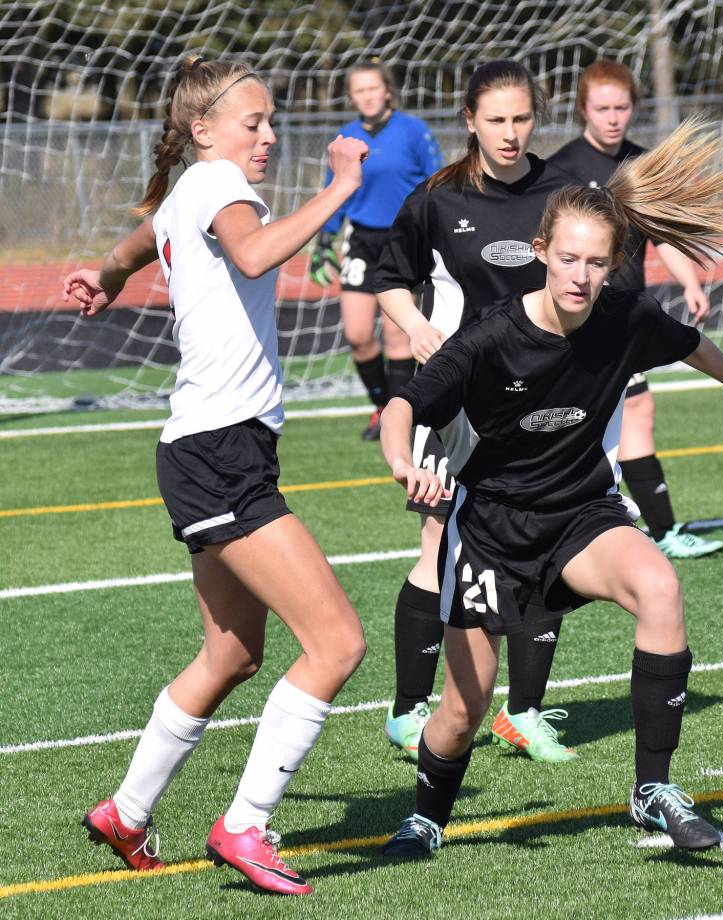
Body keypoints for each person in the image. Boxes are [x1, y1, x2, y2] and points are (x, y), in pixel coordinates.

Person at [376, 121, 723, 858]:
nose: (581, 276)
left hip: (582, 516)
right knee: (464, 709)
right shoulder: (491, 339)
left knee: (659, 586)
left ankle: (652, 790)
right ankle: (426, 817)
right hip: (492, 529)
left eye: (596, 262)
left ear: (616, 262)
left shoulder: (625, 317)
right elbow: (405, 405)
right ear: (540, 255)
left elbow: (690, 343)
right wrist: (403, 461)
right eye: (567, 260)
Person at [62, 55, 368, 897]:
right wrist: (341, 186)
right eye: (253, 122)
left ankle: (126, 811)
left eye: (271, 123)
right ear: (204, 131)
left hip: (206, 451)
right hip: (221, 451)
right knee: (337, 643)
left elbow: (138, 239)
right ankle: (246, 824)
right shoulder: (220, 185)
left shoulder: (189, 191)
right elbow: (260, 253)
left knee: (232, 651)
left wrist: (111, 273)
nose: (268, 135)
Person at [374, 60, 581, 764]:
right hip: (457, 400)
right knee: (438, 539)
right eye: (496, 119)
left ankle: (523, 712)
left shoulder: (563, 194)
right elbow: (386, 279)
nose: (510, 132)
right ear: (469, 121)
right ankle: (408, 709)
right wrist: (415, 326)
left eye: (521, 118)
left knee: (549, 545)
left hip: (545, 401)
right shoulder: (437, 198)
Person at [548, 59, 723, 560]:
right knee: (625, 415)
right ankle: (655, 530)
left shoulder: (642, 167)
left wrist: (690, 280)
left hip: (626, 315)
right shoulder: (561, 168)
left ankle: (644, 526)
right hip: (586, 317)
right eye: (602, 107)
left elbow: (659, 237)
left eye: (621, 107)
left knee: (625, 415)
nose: (612, 117)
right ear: (583, 108)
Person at [309, 60, 443, 440]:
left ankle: (397, 418)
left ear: (387, 90)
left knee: (398, 337)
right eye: (359, 90)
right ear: (352, 96)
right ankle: (381, 405)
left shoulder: (413, 131)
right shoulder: (346, 138)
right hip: (362, 241)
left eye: (373, 88)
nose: (367, 96)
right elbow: (334, 191)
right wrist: (324, 241)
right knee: (358, 333)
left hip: (406, 240)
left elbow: (437, 182)